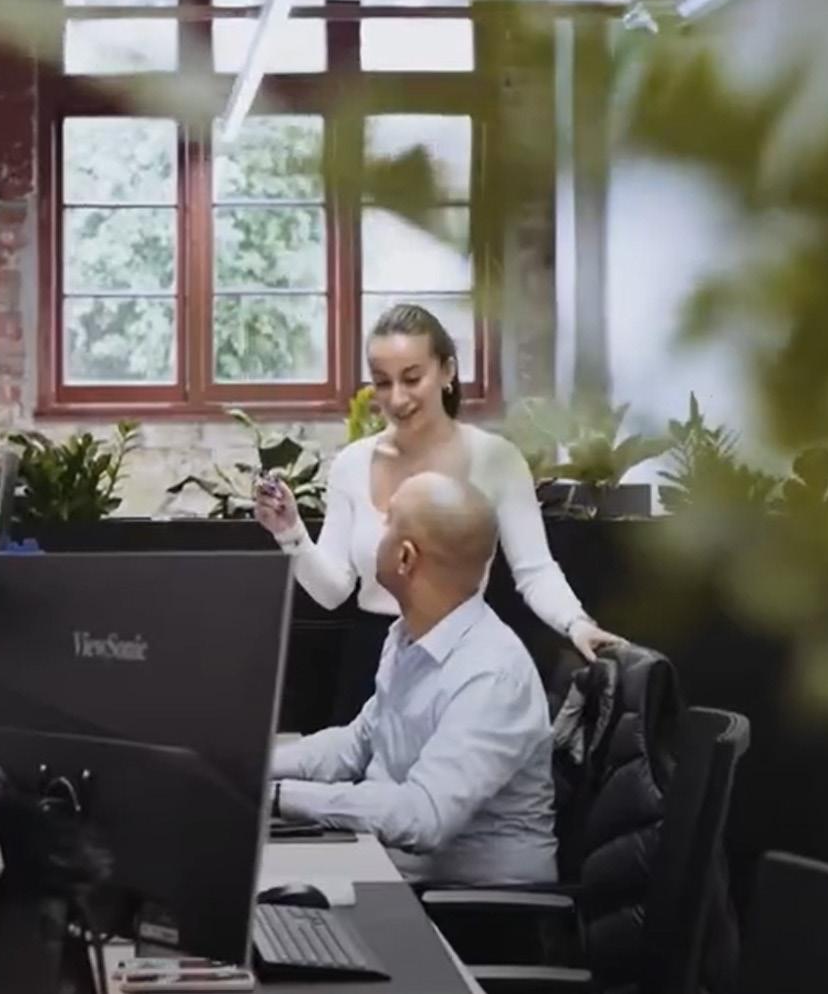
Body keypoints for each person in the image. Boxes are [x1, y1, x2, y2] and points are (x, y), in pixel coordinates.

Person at [255, 302, 623, 721]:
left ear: (447, 371)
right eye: (383, 382)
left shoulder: (497, 459)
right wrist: (290, 533)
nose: (397, 398)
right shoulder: (352, 464)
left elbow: (535, 570)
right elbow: (332, 592)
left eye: (412, 378)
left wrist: (577, 623)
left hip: (462, 660)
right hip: (373, 665)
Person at [271, 472, 557, 885]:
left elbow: (423, 817)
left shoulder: (490, 674)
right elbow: (358, 743)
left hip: (471, 907)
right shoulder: (409, 636)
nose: (375, 535)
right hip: (390, 869)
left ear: (405, 558)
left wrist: (280, 797)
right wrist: (253, 765)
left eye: (387, 522)